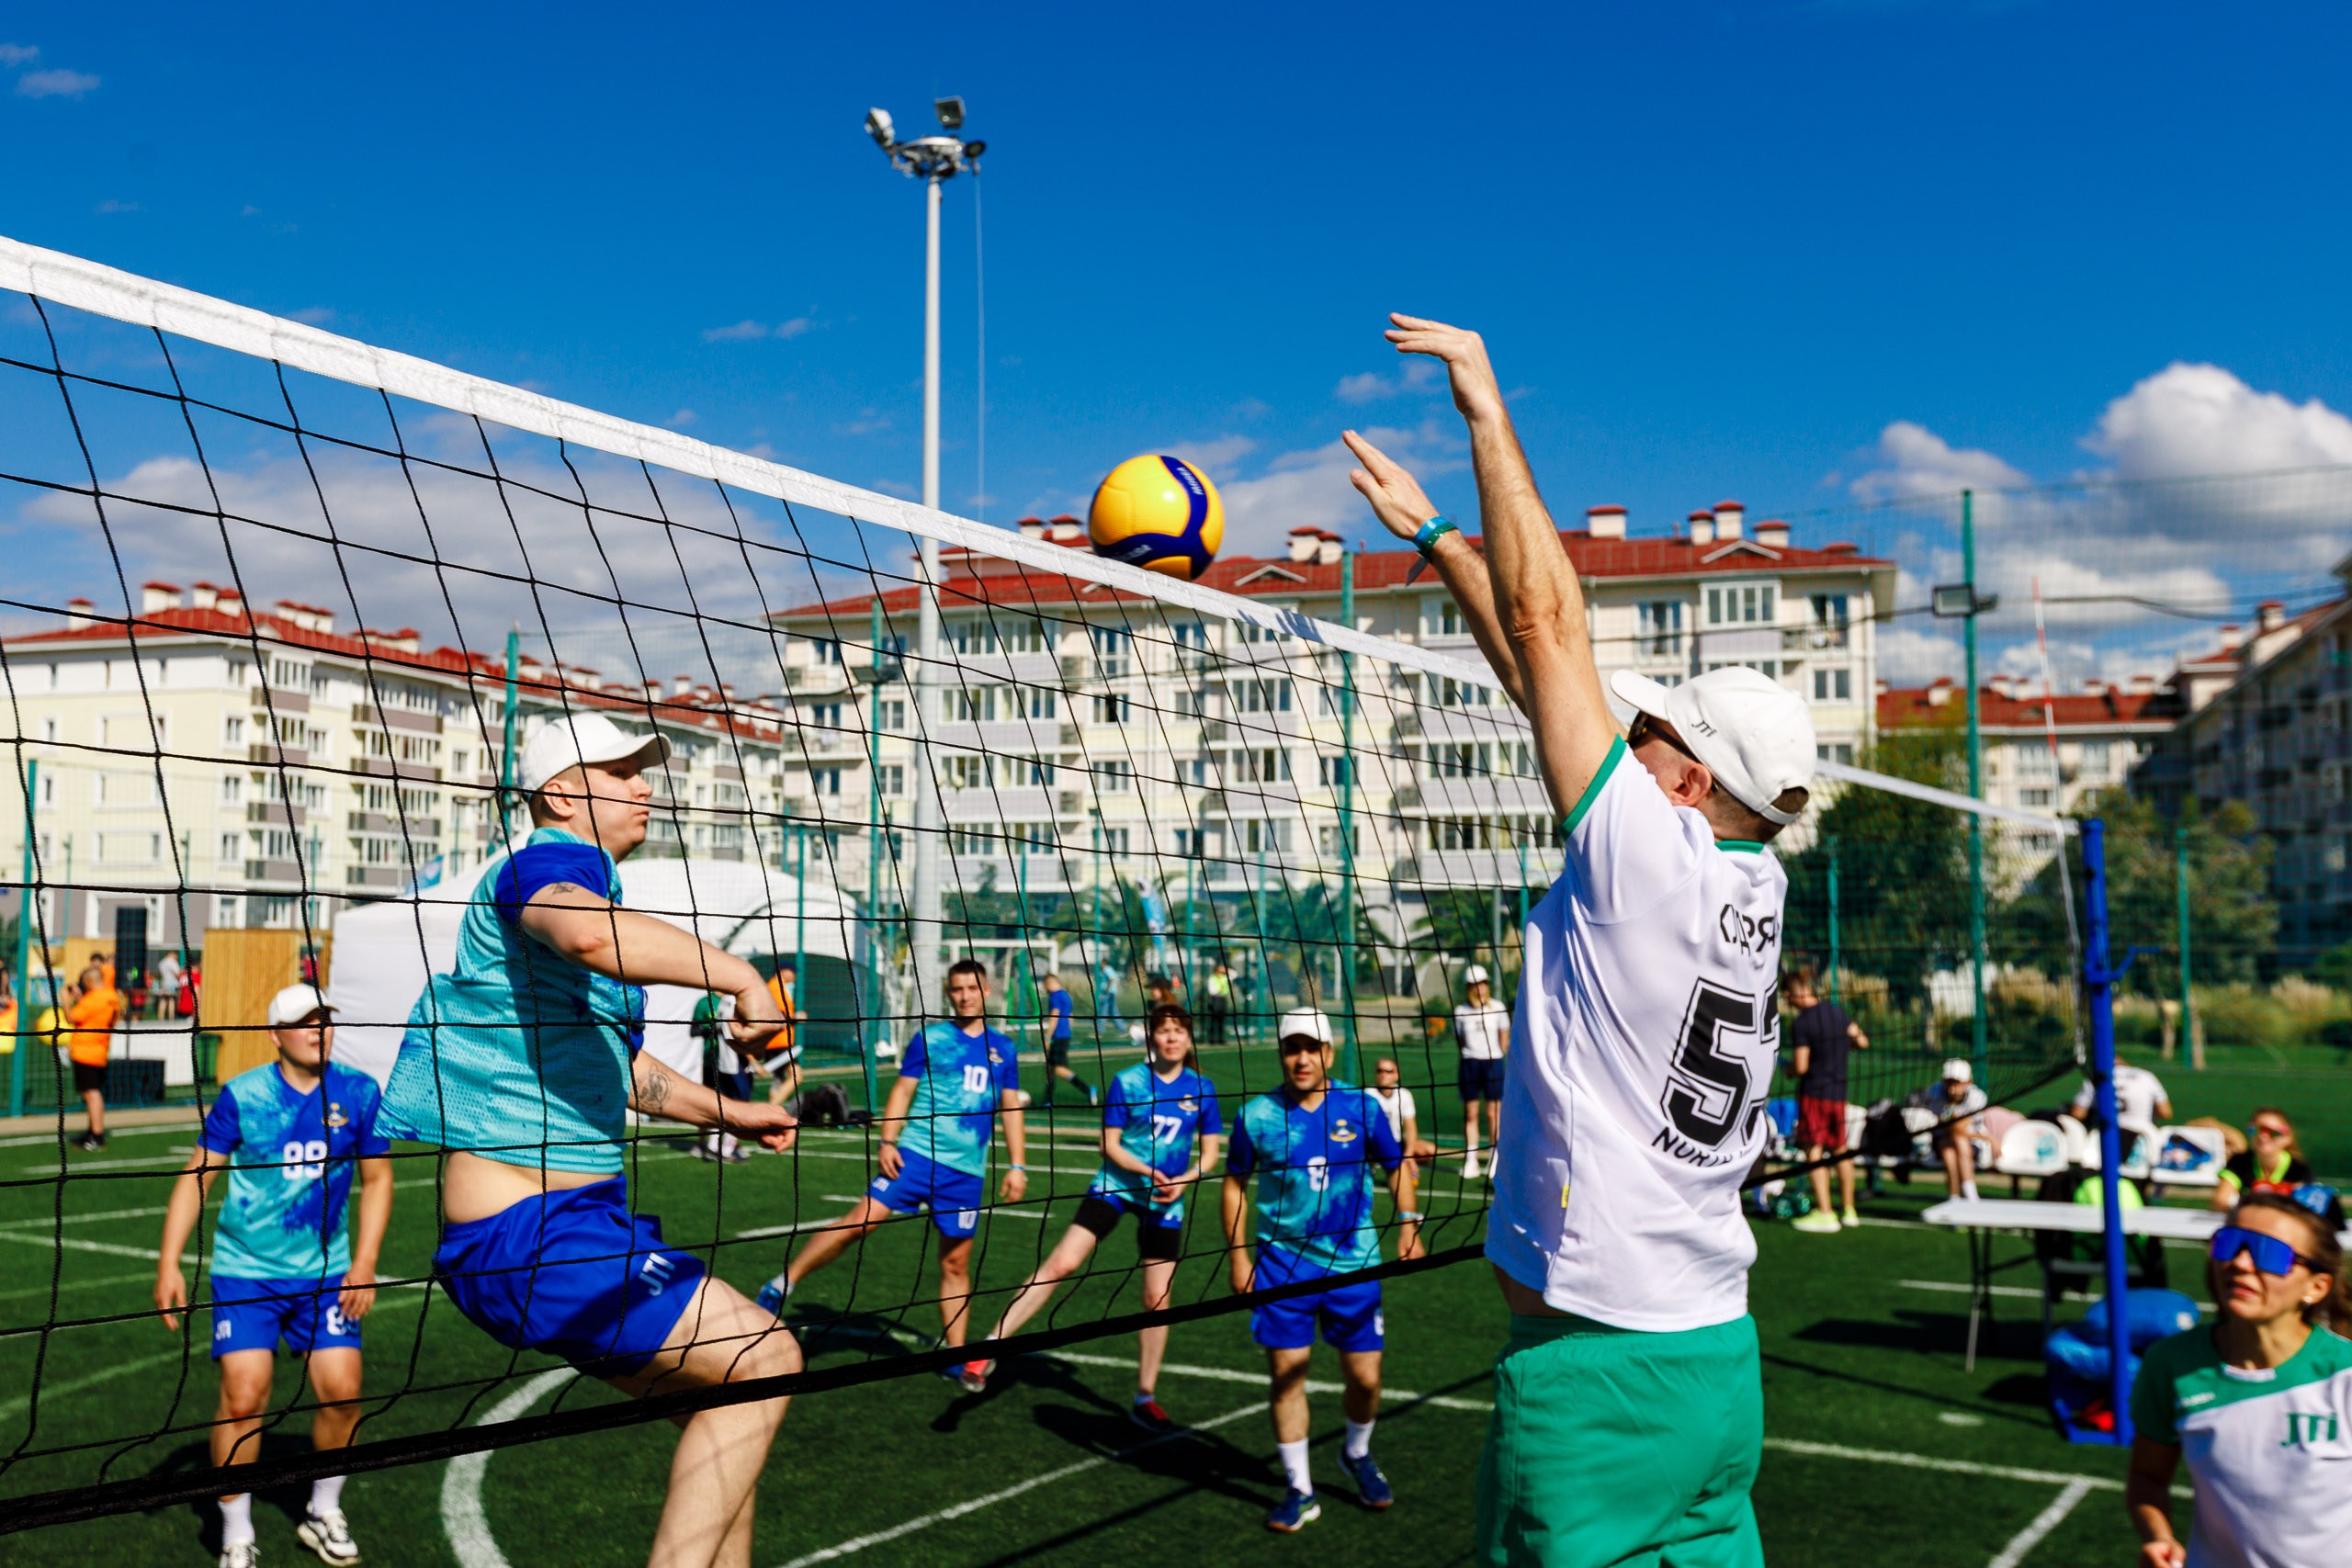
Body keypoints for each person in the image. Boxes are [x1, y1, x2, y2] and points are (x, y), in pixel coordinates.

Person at [1345, 314, 1816, 1568]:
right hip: (1715, 1356)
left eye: (1655, 725)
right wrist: (1440, 538)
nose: (1632, 728)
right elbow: (1538, 676)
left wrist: (1484, 412)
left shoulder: (1642, 851)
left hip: (1597, 1377)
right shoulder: (1748, 872)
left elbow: (1551, 632)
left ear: (1686, 775)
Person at [379, 712, 801, 1568]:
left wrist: (732, 1112)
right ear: (563, 791)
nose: (647, 783)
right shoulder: (548, 865)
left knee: (723, 1425)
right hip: (532, 1235)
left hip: (563, 1227)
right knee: (770, 1356)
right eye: (622, 769)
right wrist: (744, 975)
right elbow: (587, 934)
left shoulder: (590, 884)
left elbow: (622, 1070)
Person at [155, 984, 392, 1568]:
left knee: (343, 1392)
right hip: (246, 1274)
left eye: (325, 1020)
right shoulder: (244, 1094)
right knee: (243, 1398)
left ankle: (322, 1510)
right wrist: (169, 1262)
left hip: (327, 1275)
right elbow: (197, 1176)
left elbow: (379, 1180)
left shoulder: (359, 1093)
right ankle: (236, 1532)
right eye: (304, 1022)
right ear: (275, 1034)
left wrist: (363, 1265)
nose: (319, 1030)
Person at [960, 1003, 1222, 1426]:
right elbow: (1109, 1145)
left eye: (1179, 1031)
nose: (1172, 1038)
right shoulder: (1129, 1081)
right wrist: (1146, 1170)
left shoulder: (1203, 1089)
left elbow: (1210, 1152)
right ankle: (988, 1348)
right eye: (1164, 1030)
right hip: (1117, 1185)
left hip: (1166, 1198)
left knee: (1158, 1300)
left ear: (1189, 1039)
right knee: (1063, 1263)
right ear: (1150, 1036)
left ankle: (1144, 1397)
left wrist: (1186, 1178)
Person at [760, 957, 1026, 1359]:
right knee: (861, 1222)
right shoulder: (930, 1039)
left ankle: (955, 1357)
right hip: (916, 1154)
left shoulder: (1004, 1049)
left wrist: (1017, 1166)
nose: (965, 996)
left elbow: (1010, 1109)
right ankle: (784, 1283)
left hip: (966, 1173)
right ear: (949, 993)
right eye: (957, 989)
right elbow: (902, 1092)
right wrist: (888, 1140)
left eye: (973, 988)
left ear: (986, 992)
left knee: (955, 1264)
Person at [1223, 1007, 1422, 1532]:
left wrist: (1408, 1223)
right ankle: (1300, 1489)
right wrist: (1238, 1255)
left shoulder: (1360, 1106)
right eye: (1293, 1048)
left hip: (1353, 1267)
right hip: (1281, 1266)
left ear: (1329, 1054)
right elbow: (1233, 1184)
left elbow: (1396, 1164)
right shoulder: (1256, 1116)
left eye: (1312, 1048)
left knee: (1366, 1378)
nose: (1302, 1058)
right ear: (1282, 1054)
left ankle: (1355, 1453)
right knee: (1287, 1378)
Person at [2127, 1192, 2352, 1568]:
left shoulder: (2345, 1375)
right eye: (2229, 1243)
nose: (2240, 1263)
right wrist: (2159, 1537)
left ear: (2316, 1287)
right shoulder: (2171, 1363)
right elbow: (2147, 1478)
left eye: (2270, 1254)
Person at [1783, 964, 1869, 1233]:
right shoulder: (1837, 1012)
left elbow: (1801, 1066)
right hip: (1838, 1093)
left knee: (1814, 1150)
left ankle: (1825, 1212)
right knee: (1841, 1150)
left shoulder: (1802, 1022)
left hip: (1815, 1093)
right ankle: (1849, 1210)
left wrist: (1785, 1068)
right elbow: (1862, 1041)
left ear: (1789, 995)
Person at [1453, 964, 1510, 1180]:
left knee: (1493, 1114)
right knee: (1471, 1114)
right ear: (1469, 987)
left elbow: (1504, 1037)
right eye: (1476, 985)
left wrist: (1495, 1054)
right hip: (1469, 1064)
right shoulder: (1461, 1012)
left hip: (1493, 1064)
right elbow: (1460, 1040)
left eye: (1483, 984)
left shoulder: (1498, 1007)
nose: (1481, 989)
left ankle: (1495, 1158)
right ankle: (1471, 1160)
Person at [64, 960, 124, 1152]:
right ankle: (92, 1131)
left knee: (92, 1093)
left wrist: (66, 1000)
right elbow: (93, 1013)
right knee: (91, 1092)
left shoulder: (93, 999)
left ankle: (96, 1135)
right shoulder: (110, 996)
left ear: (89, 982)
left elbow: (71, 1017)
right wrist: (81, 997)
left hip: (86, 1051)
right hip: (100, 1050)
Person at [692, 991, 756, 1162]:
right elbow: (695, 1030)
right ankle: (713, 1146)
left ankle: (719, 1146)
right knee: (722, 1104)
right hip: (721, 1060)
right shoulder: (721, 1002)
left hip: (727, 1061)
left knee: (727, 1104)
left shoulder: (731, 1000)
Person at [2071, 1053, 2173, 1157]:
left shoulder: (2096, 1078)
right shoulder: (2146, 1076)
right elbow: (2165, 1113)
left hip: (2104, 1134)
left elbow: (2078, 1113)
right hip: (2143, 1134)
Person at [1927, 1058, 1989, 1201]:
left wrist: (1951, 1108)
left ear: (1968, 1082)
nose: (1952, 1087)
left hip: (1970, 1142)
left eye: (1957, 1082)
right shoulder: (1933, 1093)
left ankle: (1959, 1198)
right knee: (1950, 1148)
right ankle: (1966, 1198)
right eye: (1949, 1082)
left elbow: (1959, 1130)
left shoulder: (1977, 1097)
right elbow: (1943, 1128)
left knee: (1955, 1145)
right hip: (1942, 1141)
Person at [1036, 970, 1095, 1107]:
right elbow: (1070, 1017)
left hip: (1058, 1037)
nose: (1045, 989)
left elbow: (1054, 1017)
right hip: (1065, 1036)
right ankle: (1047, 1100)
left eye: (1044, 986)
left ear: (1047, 984)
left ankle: (1087, 1089)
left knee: (1057, 1069)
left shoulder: (1055, 996)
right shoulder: (1066, 995)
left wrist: (1047, 1036)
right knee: (1050, 1068)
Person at [1367, 1056, 1438, 1167]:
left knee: (1430, 1150)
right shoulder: (1368, 1094)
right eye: (1379, 1071)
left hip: (1396, 1142)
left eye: (1388, 1071)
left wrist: (1408, 1155)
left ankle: (1399, 1160)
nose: (1383, 1074)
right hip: (1372, 1143)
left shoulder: (1404, 1095)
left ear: (1396, 1075)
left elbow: (1411, 1127)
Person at [1204, 960, 1233, 1044]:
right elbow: (1212, 991)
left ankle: (1221, 1039)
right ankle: (1212, 1039)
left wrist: (1226, 970)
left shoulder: (1225, 977)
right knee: (1213, 1020)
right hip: (1215, 1000)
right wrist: (1218, 991)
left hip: (1223, 999)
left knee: (1221, 1020)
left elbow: (1234, 974)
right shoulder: (1212, 978)